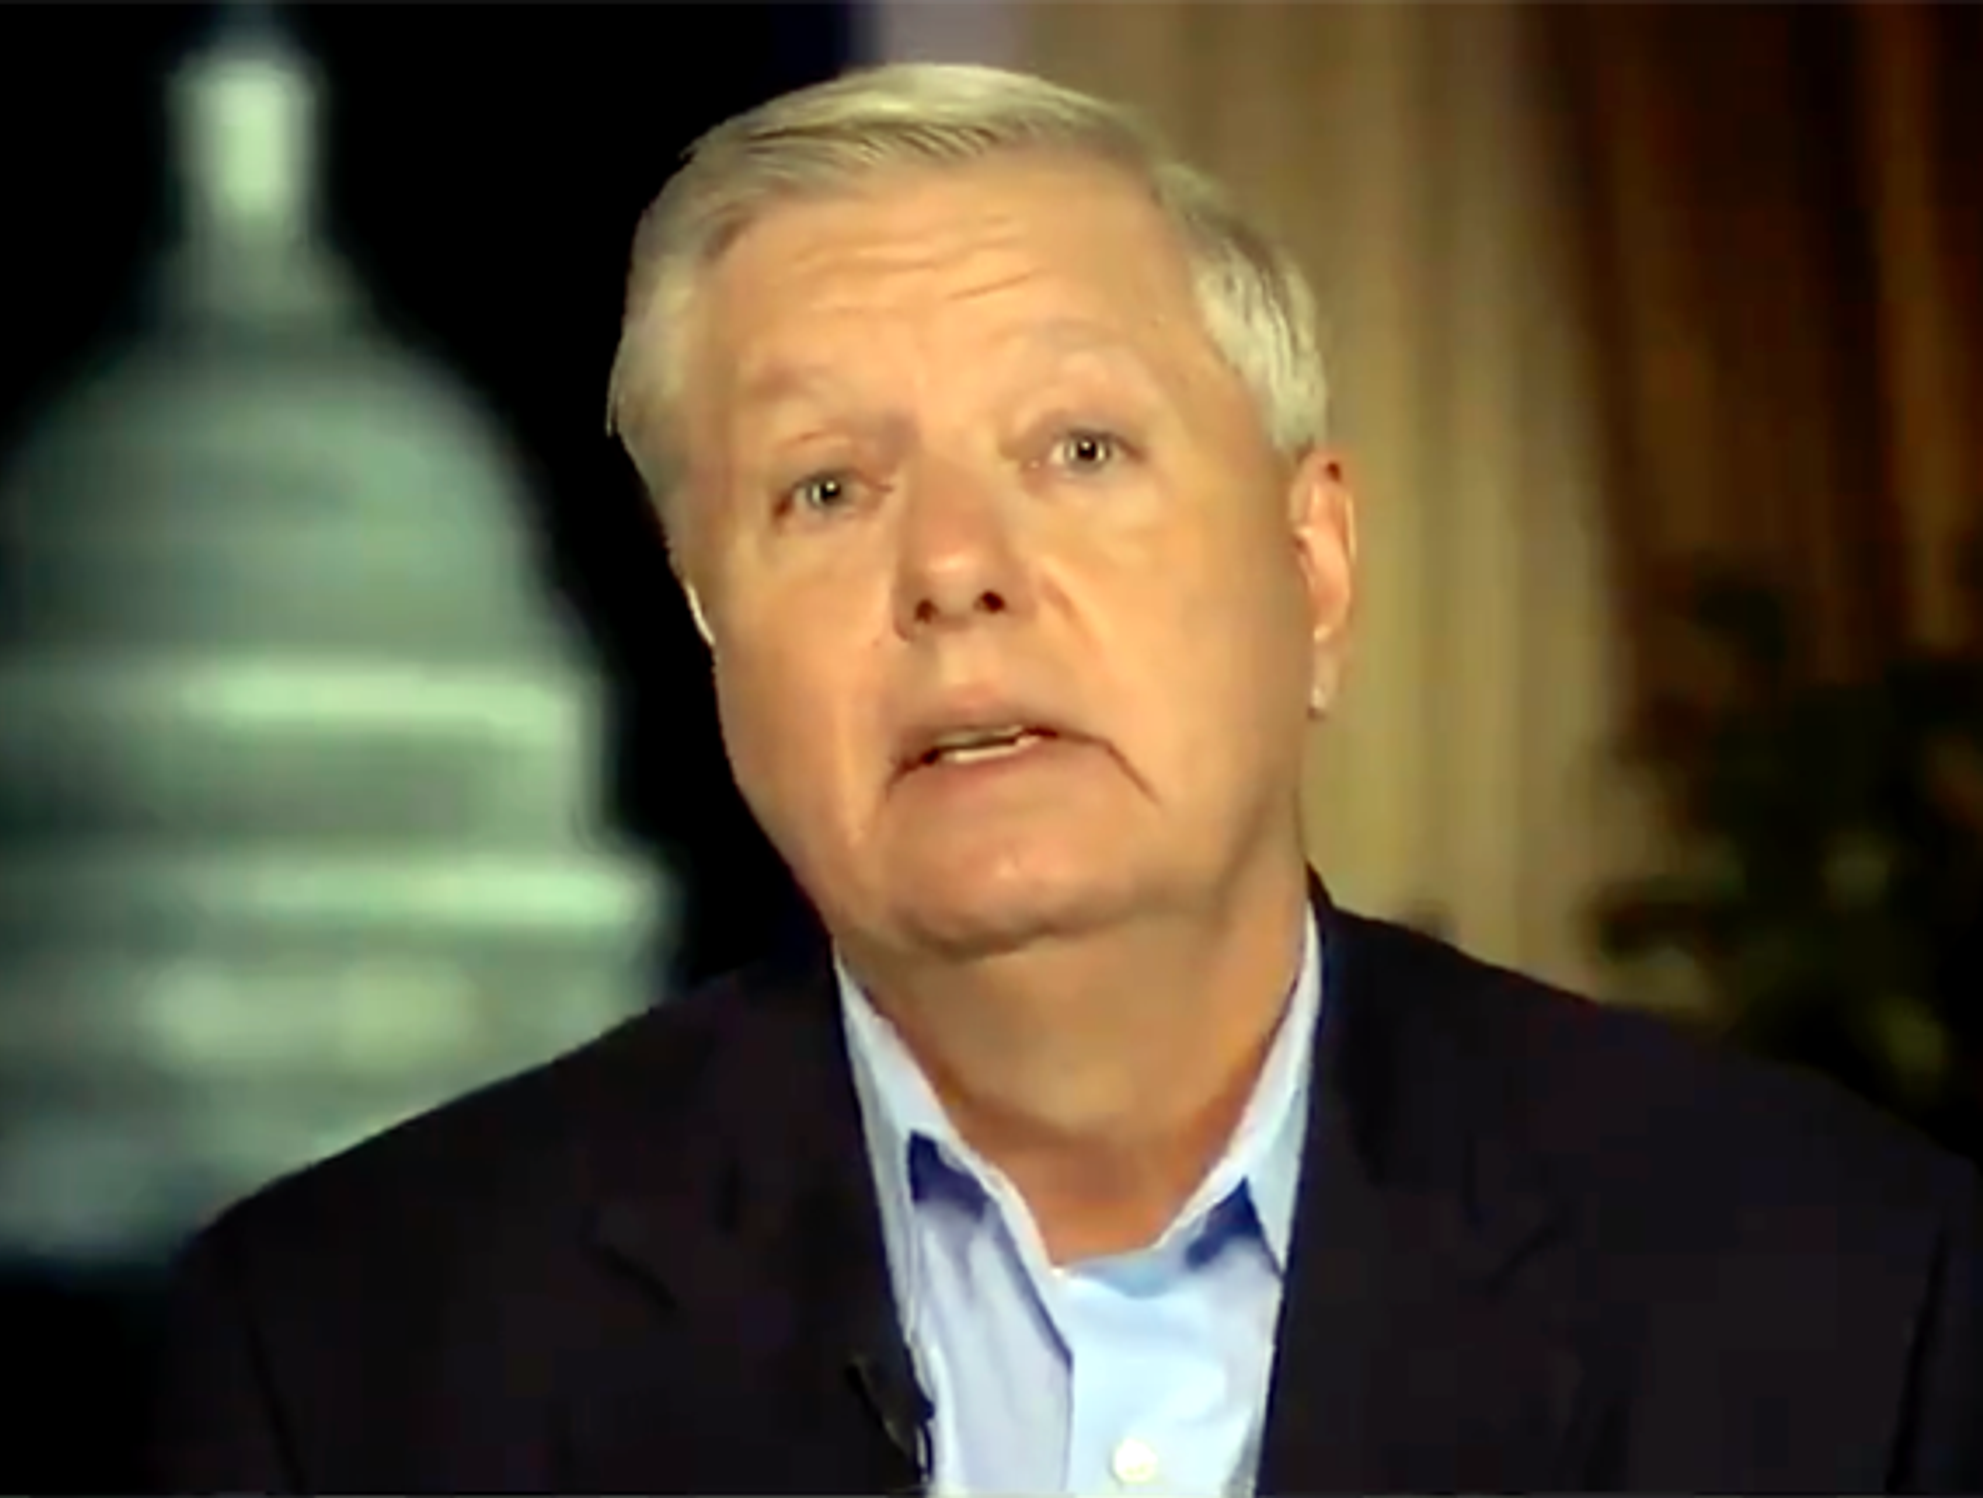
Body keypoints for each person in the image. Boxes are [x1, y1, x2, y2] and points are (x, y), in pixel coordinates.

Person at [149, 62, 1981, 1495]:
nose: (956, 567)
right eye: (825, 488)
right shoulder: (344, 1354)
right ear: (710, 625)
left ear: (1314, 567)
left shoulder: (1838, 1290)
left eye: (1081, 448)